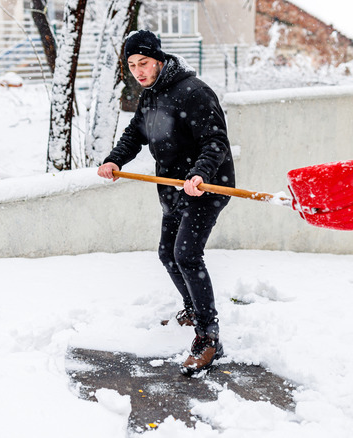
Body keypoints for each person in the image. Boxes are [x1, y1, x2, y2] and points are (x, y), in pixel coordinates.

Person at [97, 29, 235, 375]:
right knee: (166, 253)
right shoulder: (151, 95)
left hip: (207, 186)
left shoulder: (194, 92)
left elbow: (216, 140)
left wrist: (201, 174)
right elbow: (135, 134)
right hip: (173, 186)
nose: (138, 71)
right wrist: (115, 160)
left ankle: (209, 337)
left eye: (144, 62)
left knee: (186, 254)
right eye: (132, 65)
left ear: (159, 59)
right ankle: (192, 307)